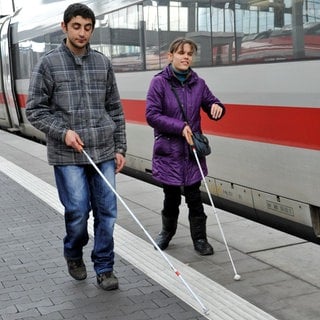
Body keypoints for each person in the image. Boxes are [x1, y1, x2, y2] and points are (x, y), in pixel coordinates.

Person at [26, 3, 126, 290]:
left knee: (107, 213)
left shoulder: (103, 63)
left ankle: (105, 267)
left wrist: (120, 148)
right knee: (78, 211)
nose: (82, 33)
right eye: (76, 26)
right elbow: (35, 110)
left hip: (104, 150)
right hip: (68, 153)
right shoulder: (48, 64)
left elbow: (115, 109)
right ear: (64, 27)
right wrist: (63, 132)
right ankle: (73, 250)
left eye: (87, 27)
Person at [146, 38, 225, 255]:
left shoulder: (198, 83)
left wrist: (217, 107)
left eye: (190, 53)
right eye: (181, 53)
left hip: (191, 154)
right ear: (170, 56)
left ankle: (200, 239)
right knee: (171, 199)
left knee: (194, 199)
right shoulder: (159, 82)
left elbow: (211, 102)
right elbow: (152, 115)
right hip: (169, 152)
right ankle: (166, 233)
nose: (186, 57)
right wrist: (180, 126)